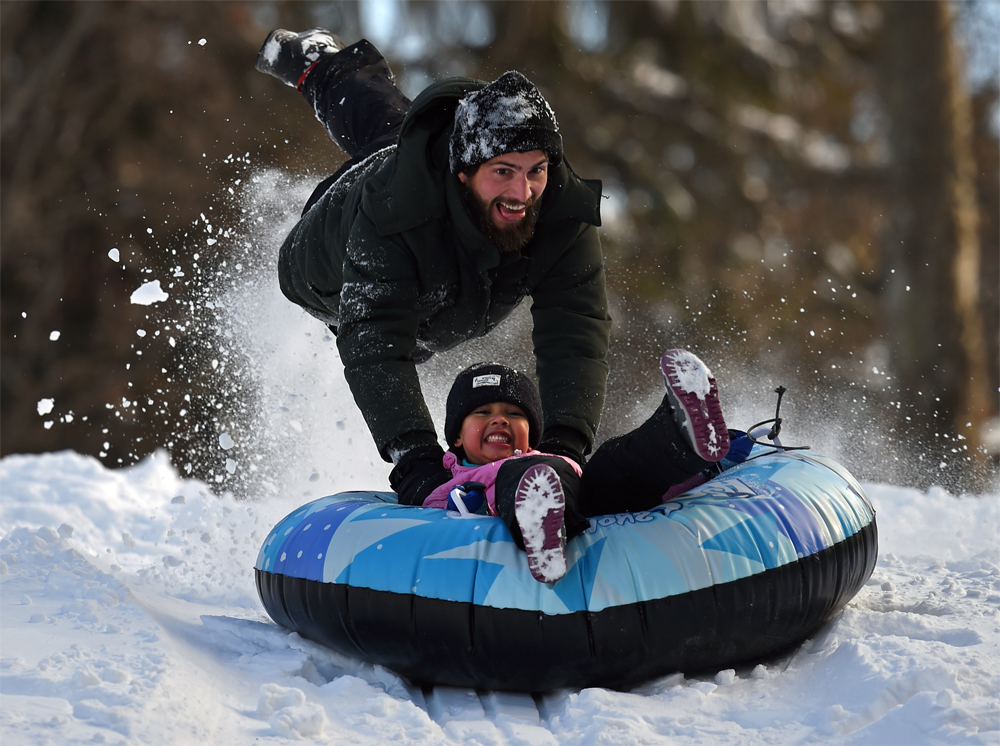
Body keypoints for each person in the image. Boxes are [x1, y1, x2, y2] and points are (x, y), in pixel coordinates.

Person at [255, 29, 611, 508]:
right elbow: (374, 339)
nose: (523, 192)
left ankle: (321, 62)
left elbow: (576, 329)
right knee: (390, 149)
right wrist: (415, 457)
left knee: (398, 127)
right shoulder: (394, 213)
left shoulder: (561, 212)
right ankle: (316, 67)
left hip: (425, 199)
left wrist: (565, 447)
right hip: (326, 269)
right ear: (463, 173)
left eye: (535, 170)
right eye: (503, 171)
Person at [422, 349, 739, 583]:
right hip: (519, 496)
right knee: (520, 476)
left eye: (514, 414)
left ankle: (681, 436)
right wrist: (469, 509)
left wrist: (693, 481)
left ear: (532, 433)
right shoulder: (452, 480)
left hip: (583, 495)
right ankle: (541, 528)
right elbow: (438, 515)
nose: (500, 419)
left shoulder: (543, 457)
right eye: (482, 411)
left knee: (616, 462)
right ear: (458, 437)